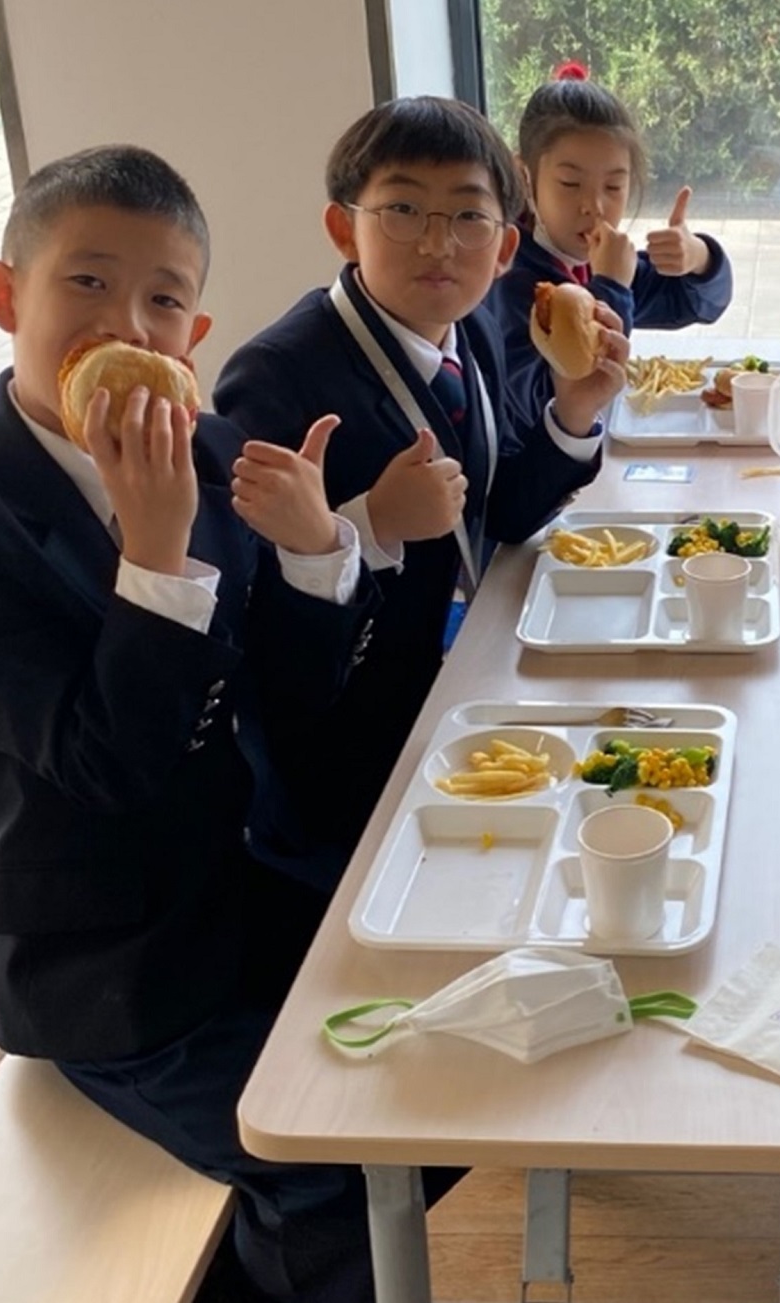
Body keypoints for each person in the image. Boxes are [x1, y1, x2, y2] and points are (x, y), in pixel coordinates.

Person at [0, 144, 391, 1301]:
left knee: (435, 1100)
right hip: (109, 968)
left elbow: (285, 701)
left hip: (251, 897)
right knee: (328, 1167)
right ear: (8, 297)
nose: (125, 325)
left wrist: (314, 559)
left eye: (163, 299)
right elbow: (105, 764)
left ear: (195, 336)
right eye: (86, 284)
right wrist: (153, 559)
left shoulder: (200, 446)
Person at [213, 96, 625, 891]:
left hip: (454, 696)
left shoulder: (467, 329)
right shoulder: (273, 377)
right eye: (403, 209)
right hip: (343, 767)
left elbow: (499, 512)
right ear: (344, 229)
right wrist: (367, 527)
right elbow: (250, 624)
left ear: (505, 246)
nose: (438, 243)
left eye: (468, 217)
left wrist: (574, 411)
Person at [485, 62, 733, 417]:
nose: (595, 206)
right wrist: (612, 287)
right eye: (570, 184)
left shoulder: (593, 261)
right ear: (525, 177)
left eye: (614, 186)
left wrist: (698, 258)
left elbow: (698, 305)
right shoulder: (510, 281)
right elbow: (538, 403)